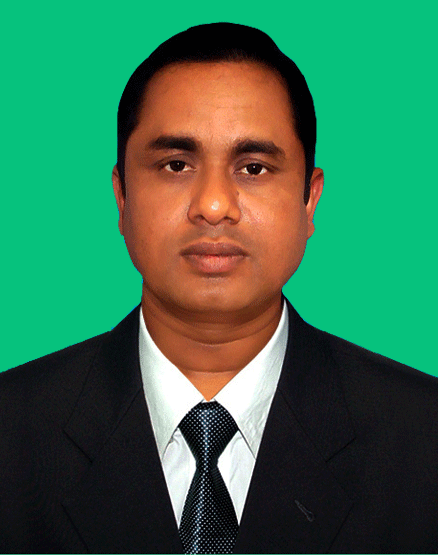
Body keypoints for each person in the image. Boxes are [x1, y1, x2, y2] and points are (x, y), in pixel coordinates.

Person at [1, 22, 438, 554]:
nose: (212, 205)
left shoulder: (423, 437)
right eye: (176, 165)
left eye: (253, 168)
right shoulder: (12, 431)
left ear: (309, 200)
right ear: (121, 196)